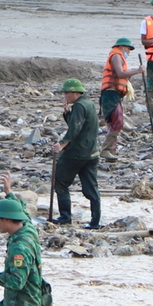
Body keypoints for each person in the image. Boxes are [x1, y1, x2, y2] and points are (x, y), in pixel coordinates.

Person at [52, 78, 100, 228]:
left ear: (74, 92)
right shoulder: (89, 104)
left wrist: (62, 145)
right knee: (91, 188)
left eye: (67, 93)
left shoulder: (79, 106)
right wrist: (67, 113)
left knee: (60, 182)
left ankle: (65, 216)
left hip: (76, 153)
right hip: (92, 153)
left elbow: (74, 130)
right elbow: (78, 124)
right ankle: (95, 221)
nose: (65, 96)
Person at [99, 37, 140, 152]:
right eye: (128, 49)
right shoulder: (116, 56)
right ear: (122, 47)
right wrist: (137, 70)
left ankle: (111, 150)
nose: (128, 52)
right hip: (110, 94)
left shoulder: (120, 57)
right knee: (117, 121)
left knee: (116, 121)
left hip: (115, 94)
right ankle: (106, 149)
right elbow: (120, 73)